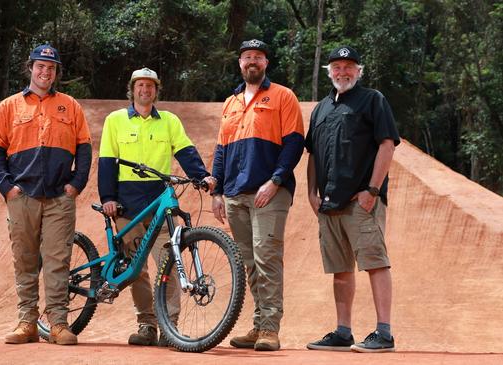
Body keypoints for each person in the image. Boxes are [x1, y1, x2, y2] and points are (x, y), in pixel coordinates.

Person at [98, 67, 216, 346]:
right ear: (132, 89)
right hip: (126, 203)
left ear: (156, 90)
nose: (145, 90)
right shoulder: (115, 120)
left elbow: (185, 151)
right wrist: (108, 198)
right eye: (140, 85)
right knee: (136, 267)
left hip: (159, 201)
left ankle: (169, 326)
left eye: (150, 86)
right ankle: (147, 324)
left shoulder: (169, 121)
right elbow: (106, 162)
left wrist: (201, 176)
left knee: (170, 264)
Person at [0, 44, 92, 346]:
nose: (45, 72)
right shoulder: (8, 107)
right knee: (25, 260)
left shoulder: (70, 106)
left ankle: (58, 323)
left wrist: (76, 185)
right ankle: (27, 323)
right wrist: (8, 188)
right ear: (30, 68)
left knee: (58, 260)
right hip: (22, 196)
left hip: (60, 197)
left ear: (56, 72)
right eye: (40, 66)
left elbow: (84, 149)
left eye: (51, 68)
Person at [304, 46, 400, 353]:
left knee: (374, 262)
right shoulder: (320, 109)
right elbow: (313, 155)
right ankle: (343, 331)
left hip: (361, 200)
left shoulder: (372, 100)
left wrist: (372, 190)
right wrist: (310, 192)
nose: (342, 72)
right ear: (328, 72)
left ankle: (384, 333)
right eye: (336, 67)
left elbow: (387, 144)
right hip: (329, 202)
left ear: (359, 71)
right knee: (340, 269)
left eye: (348, 67)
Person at [211, 39, 305, 351]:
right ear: (240, 63)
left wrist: (276, 181)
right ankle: (257, 323)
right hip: (236, 193)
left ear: (265, 63)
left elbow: (293, 143)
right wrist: (218, 192)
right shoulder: (230, 102)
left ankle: (270, 329)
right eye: (247, 57)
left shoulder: (282, 96)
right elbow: (222, 150)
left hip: (269, 193)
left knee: (267, 258)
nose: (252, 61)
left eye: (258, 57)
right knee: (248, 262)